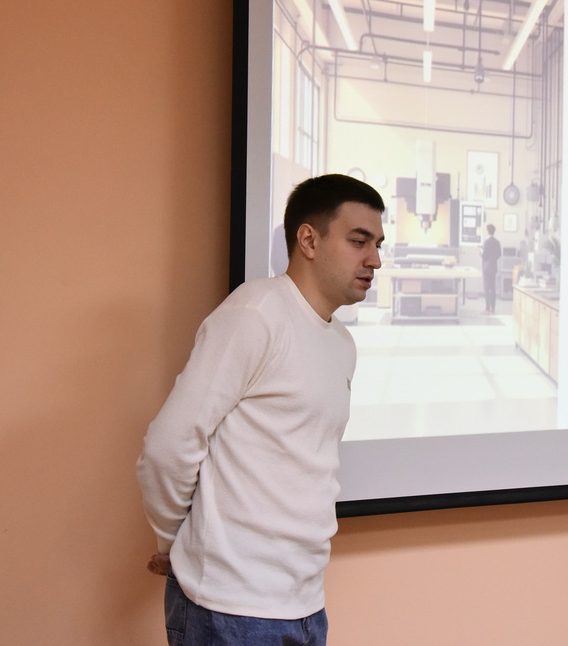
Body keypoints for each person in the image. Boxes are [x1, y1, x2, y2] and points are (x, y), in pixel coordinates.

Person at [136, 173, 385, 646]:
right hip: (229, 609)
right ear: (308, 240)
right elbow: (168, 446)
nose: (375, 259)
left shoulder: (341, 343)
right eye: (359, 241)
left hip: (304, 603)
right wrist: (173, 541)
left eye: (377, 244)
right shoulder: (255, 314)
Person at [480, 223, 501, 314]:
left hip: (486, 268)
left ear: (488, 231)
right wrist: (493, 259)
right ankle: (493, 308)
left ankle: (487, 308)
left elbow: (484, 255)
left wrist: (480, 252)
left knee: (486, 288)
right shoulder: (497, 242)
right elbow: (499, 254)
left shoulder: (486, 242)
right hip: (493, 267)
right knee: (493, 289)